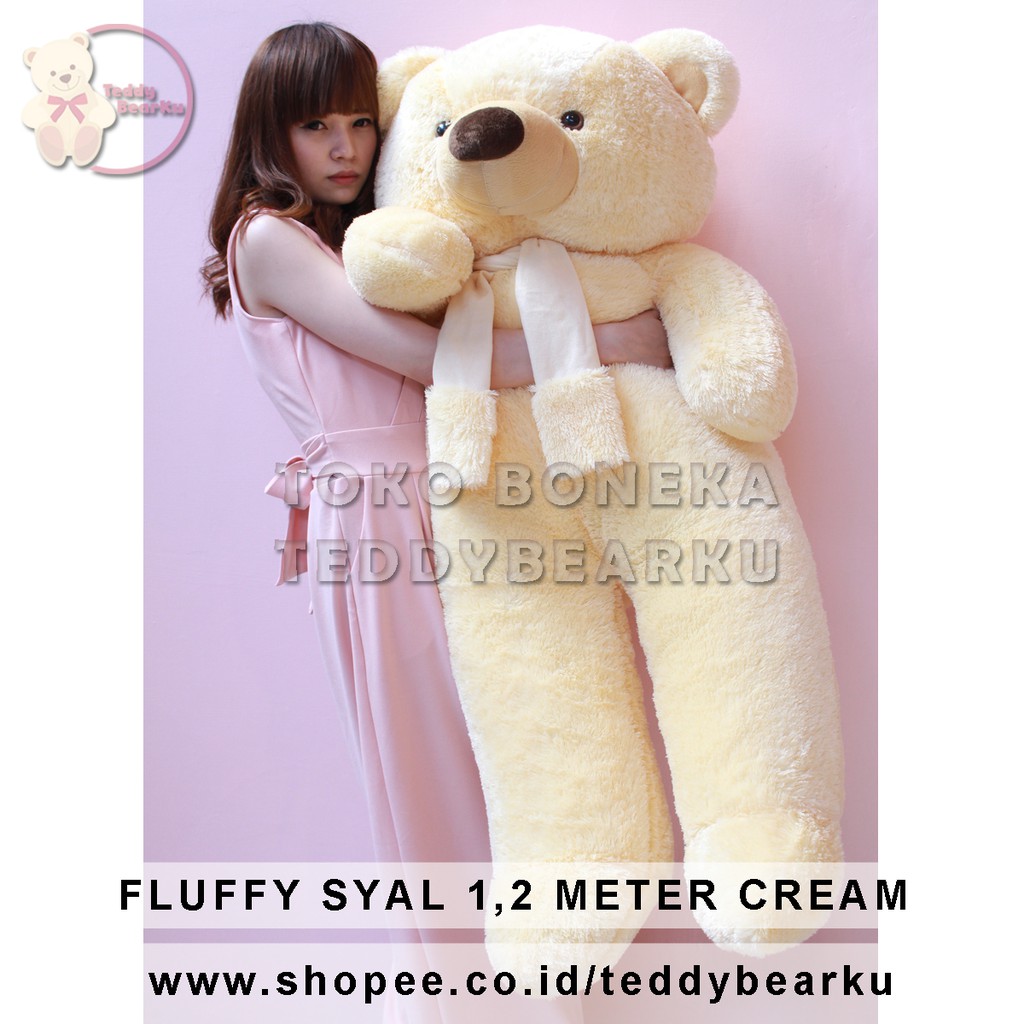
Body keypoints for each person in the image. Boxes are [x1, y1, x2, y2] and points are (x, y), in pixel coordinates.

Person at [201, 22, 670, 1022]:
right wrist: (611, 340)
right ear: (268, 132)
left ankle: (542, 991)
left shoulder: (356, 240)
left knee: (512, 745)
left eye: (360, 122)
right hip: (379, 516)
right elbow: (423, 362)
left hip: (449, 497)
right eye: (315, 126)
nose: (344, 148)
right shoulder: (268, 238)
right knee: (437, 769)